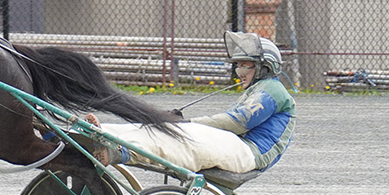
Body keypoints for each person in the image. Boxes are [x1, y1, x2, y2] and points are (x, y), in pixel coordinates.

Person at [86, 32, 296, 174]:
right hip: (237, 145)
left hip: (249, 153)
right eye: (238, 66)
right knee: (160, 128)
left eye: (244, 66)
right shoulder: (258, 89)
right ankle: (101, 132)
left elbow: (238, 123)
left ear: (264, 67)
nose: (239, 72)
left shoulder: (273, 90)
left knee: (178, 139)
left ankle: (121, 151)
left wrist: (188, 123)